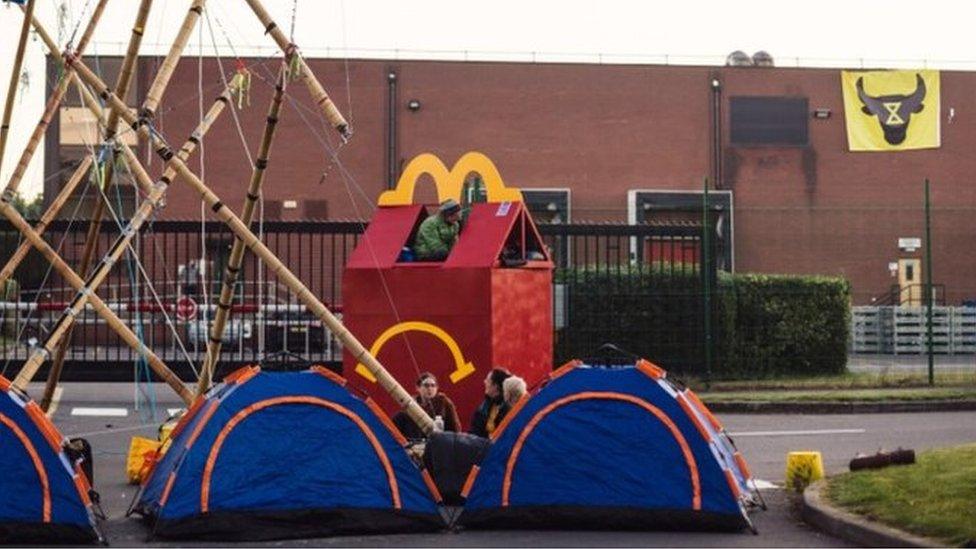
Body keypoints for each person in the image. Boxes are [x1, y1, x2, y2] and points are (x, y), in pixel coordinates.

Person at [393, 372, 461, 440]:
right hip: (415, 444)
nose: (430, 388)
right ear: (418, 388)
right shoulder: (410, 404)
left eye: (433, 385)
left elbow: (455, 429)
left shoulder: (444, 403)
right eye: (426, 385)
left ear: (437, 388)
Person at [470, 367, 512, 438]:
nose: (484, 382)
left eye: (488, 380)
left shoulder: (508, 409)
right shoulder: (484, 407)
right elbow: (475, 430)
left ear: (495, 386)